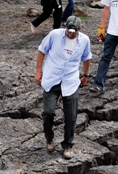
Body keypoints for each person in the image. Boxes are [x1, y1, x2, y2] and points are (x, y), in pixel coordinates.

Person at [35, 16, 92, 159]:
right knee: (48, 112)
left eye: (73, 32)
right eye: (68, 30)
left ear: (79, 30)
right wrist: (38, 71)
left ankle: (67, 145)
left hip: (70, 80)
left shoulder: (84, 40)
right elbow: (42, 50)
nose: (70, 34)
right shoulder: (54, 35)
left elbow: (86, 58)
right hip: (52, 78)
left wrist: (85, 75)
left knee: (71, 116)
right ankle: (49, 138)